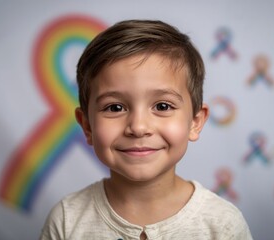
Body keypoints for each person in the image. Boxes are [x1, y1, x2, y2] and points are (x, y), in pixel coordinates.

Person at [40, 19, 253, 240]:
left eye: (162, 106)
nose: (138, 127)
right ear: (87, 126)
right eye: (115, 107)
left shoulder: (223, 224)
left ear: (195, 122)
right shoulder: (66, 221)